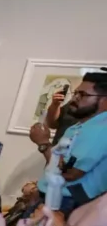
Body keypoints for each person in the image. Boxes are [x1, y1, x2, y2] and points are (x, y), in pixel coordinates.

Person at [31, 71, 107, 211]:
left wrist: (43, 143)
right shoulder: (82, 125)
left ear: (104, 100)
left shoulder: (101, 129)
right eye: (75, 93)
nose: (74, 98)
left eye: (83, 95)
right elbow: (58, 163)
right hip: (55, 197)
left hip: (67, 203)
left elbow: (70, 173)